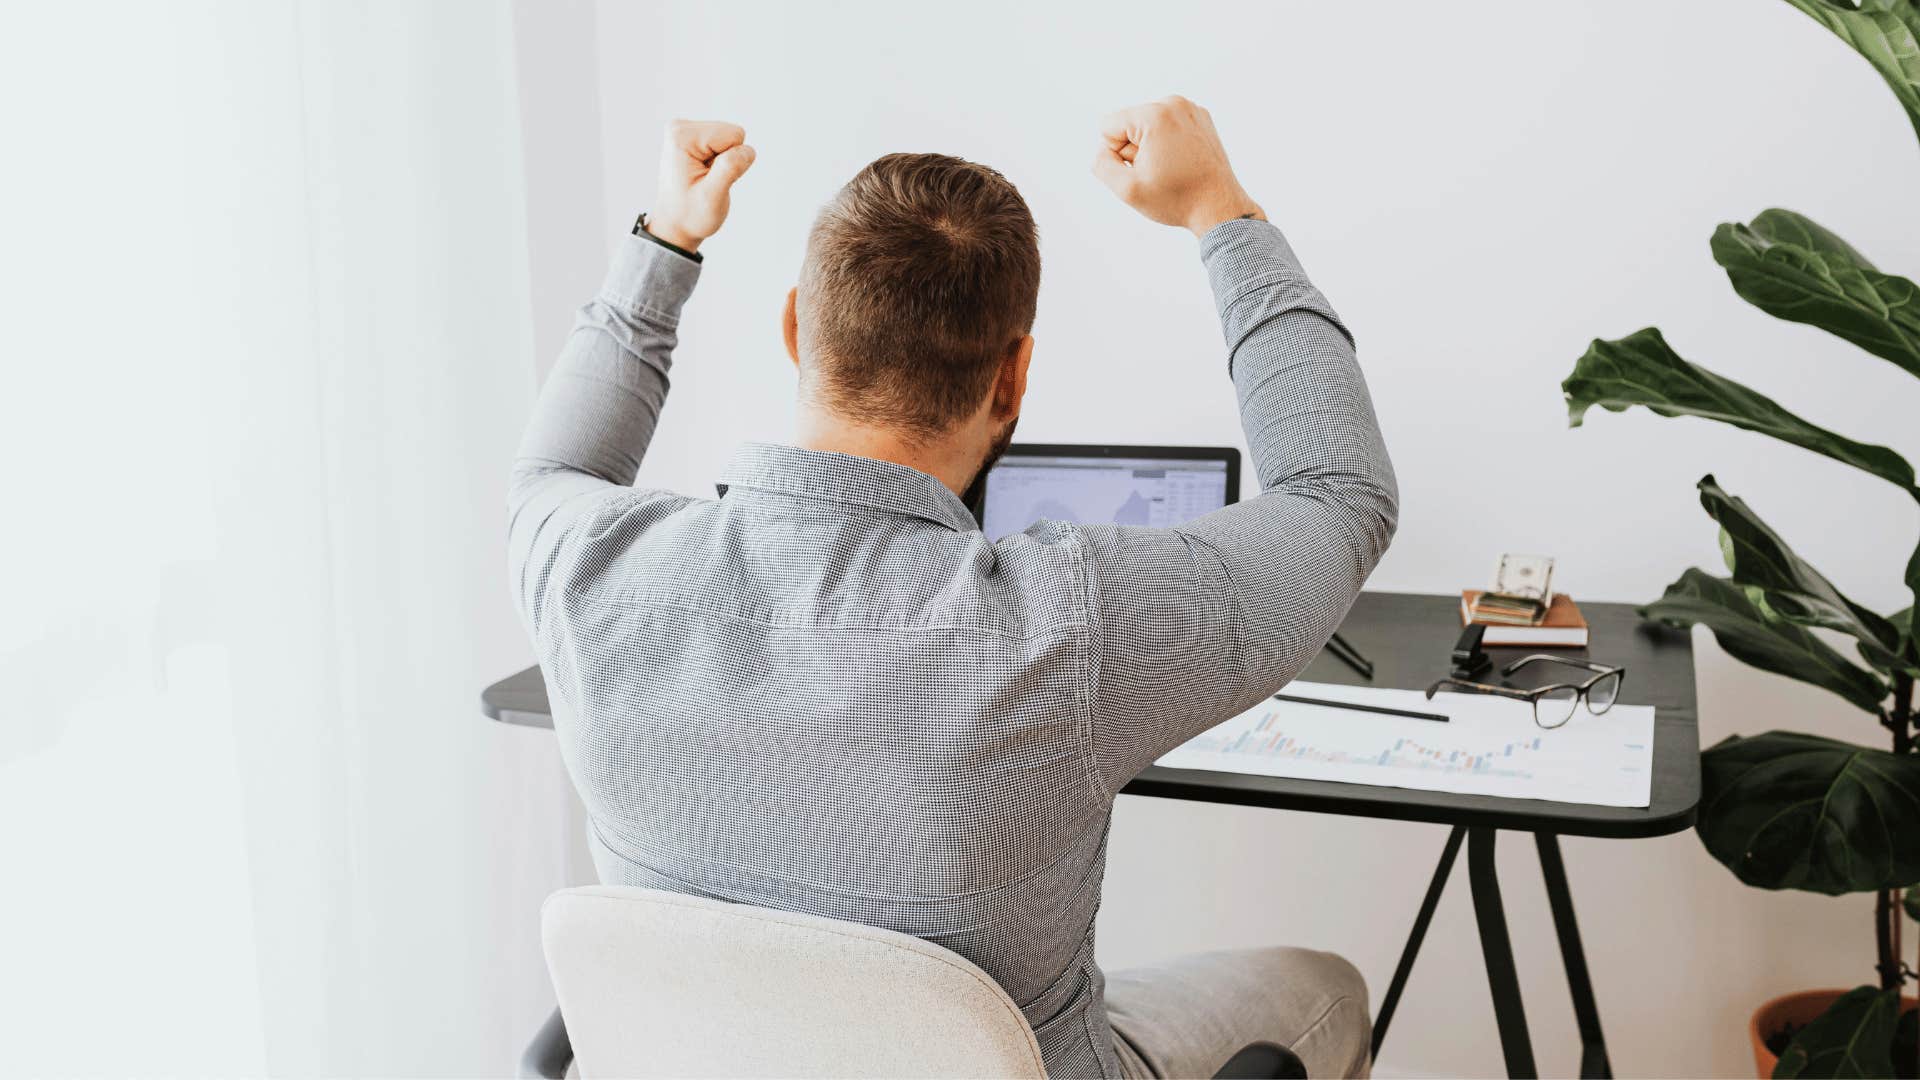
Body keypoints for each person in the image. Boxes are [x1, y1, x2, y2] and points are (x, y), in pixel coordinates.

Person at [508, 96, 1397, 1079]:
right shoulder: (1075, 625)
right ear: (1012, 382)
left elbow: (553, 467)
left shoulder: (586, 573)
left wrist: (667, 240)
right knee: (1322, 987)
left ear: (798, 330)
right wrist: (1218, 209)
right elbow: (1337, 494)